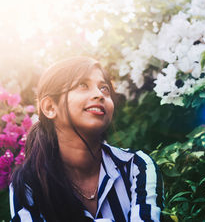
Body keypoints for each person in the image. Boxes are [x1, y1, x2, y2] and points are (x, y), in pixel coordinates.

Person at [9, 56, 164, 222]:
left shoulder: (136, 166)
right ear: (50, 107)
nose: (99, 94)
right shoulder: (29, 185)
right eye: (83, 85)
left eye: (104, 88)